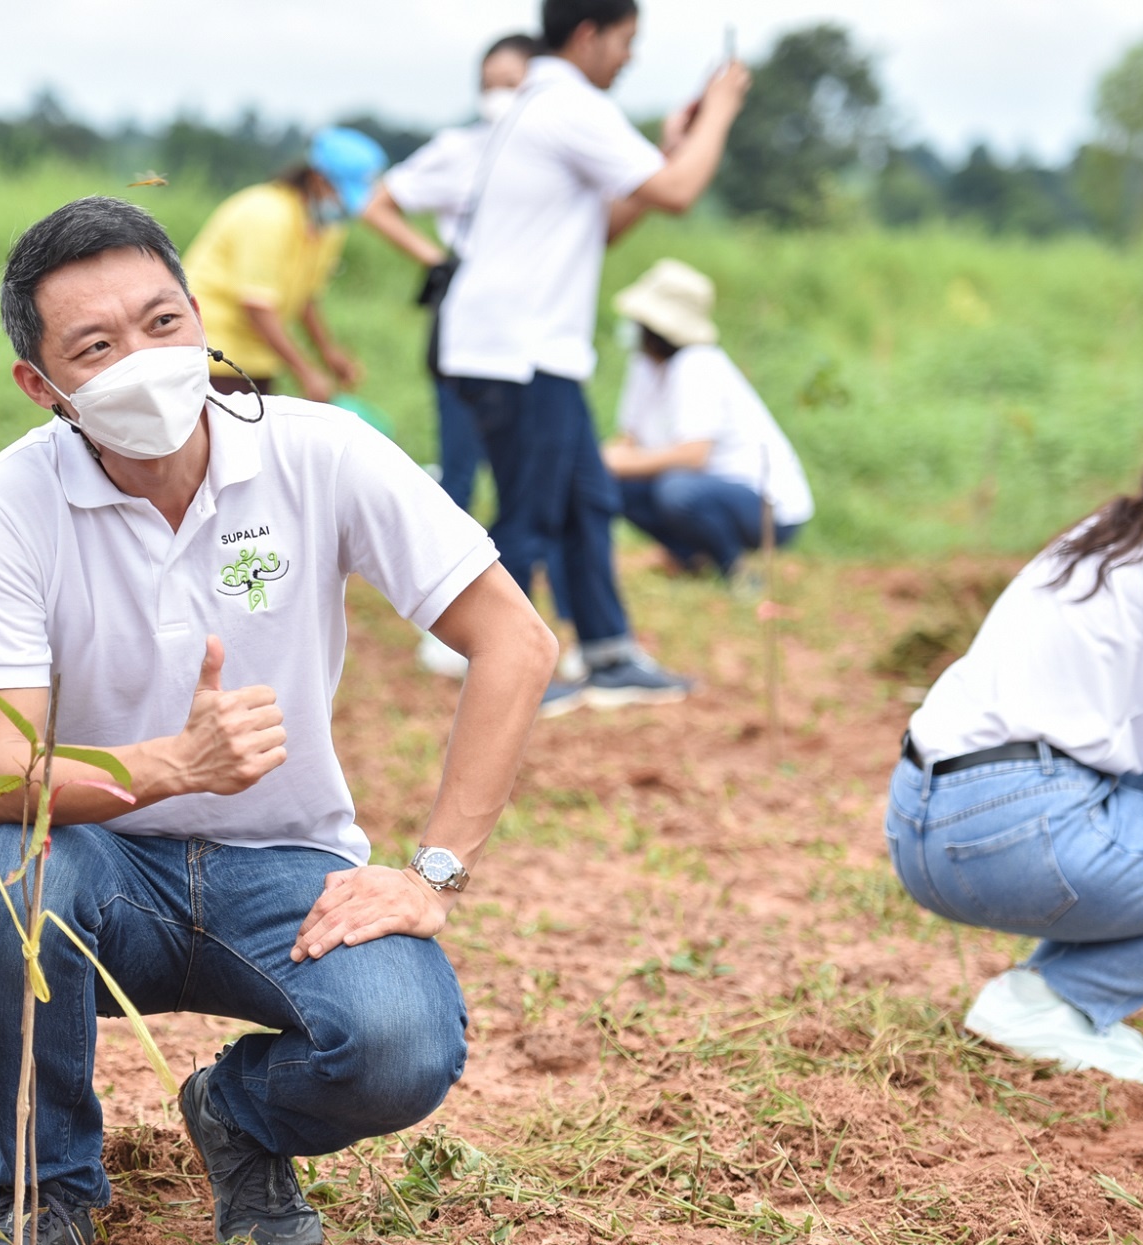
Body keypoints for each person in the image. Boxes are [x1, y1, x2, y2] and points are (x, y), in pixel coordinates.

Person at [0, 197, 557, 1245]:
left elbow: (511, 640)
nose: (142, 359)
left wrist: (431, 871)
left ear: (199, 317)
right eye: (95, 346)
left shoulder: (316, 451)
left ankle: (235, 1113)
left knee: (402, 1041)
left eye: (161, 321)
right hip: (102, 866)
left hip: (288, 868)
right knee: (12, 875)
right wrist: (173, 764)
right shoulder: (6, 502)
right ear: (42, 385)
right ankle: (42, 1194)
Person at [886, 357, 1143, 1088]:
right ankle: (1063, 999)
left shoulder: (1117, 531)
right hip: (1010, 833)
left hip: (925, 810)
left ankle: (1041, 997)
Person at [437, 0, 749, 714]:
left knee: (587, 500)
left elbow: (606, 222)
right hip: (519, 352)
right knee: (530, 511)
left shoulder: (538, 104)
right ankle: (508, 672)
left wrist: (670, 149)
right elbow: (675, 194)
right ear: (588, 34)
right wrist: (721, 112)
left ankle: (609, 653)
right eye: (626, 42)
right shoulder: (570, 104)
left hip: (528, 348)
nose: (630, 58)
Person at [361, 33, 545, 681]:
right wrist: (438, 259)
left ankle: (511, 618)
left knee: (526, 482)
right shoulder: (459, 152)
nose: (500, 95)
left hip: (530, 339)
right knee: (461, 475)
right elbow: (378, 202)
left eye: (514, 81)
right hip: (465, 336)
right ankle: (448, 623)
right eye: (491, 81)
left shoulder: (554, 162)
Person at [603, 259, 814, 584]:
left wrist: (617, 462)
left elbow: (694, 455)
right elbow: (628, 438)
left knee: (677, 490)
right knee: (610, 483)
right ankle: (691, 559)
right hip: (703, 491)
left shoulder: (697, 365)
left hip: (766, 507)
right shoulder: (645, 366)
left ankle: (736, 572)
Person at [184, 127, 388, 401]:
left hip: (257, 357)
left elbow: (306, 297)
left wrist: (327, 352)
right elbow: (257, 305)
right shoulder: (267, 214)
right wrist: (305, 372)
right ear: (317, 179)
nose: (346, 208)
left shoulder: (326, 227)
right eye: (342, 194)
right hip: (213, 352)